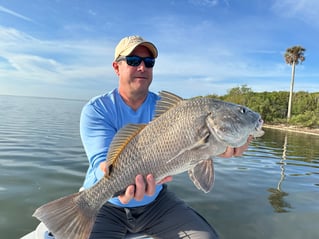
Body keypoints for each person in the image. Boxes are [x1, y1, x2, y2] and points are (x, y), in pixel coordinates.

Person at [80, 35, 252, 239]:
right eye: (133, 61)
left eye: (149, 62)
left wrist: (221, 149)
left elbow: (199, 151)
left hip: (156, 203)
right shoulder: (97, 109)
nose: (142, 67)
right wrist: (117, 186)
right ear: (117, 68)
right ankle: (84, 206)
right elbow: (103, 164)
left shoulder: (170, 109)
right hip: (106, 205)